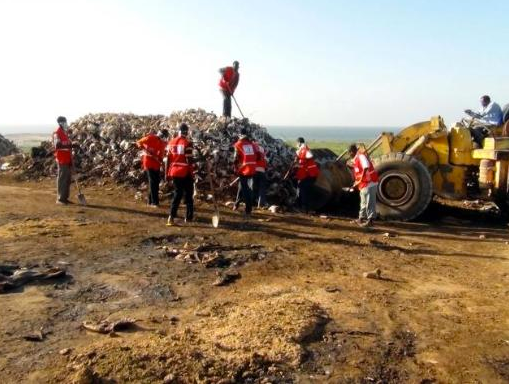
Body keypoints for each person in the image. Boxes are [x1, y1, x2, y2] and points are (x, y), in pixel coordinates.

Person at [166, 123, 194, 226]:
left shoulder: (171, 143)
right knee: (189, 194)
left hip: (174, 171)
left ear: (179, 131)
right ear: (187, 132)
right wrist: (193, 170)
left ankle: (171, 217)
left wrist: (166, 173)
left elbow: (167, 159)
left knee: (177, 194)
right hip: (185, 172)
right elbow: (189, 159)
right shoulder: (187, 143)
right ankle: (189, 217)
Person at [349, 144, 379, 227]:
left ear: (353, 151)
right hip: (363, 184)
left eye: (350, 153)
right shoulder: (356, 160)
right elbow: (358, 173)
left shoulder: (361, 156)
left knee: (370, 202)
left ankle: (371, 220)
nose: (350, 154)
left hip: (370, 183)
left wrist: (361, 179)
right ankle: (361, 218)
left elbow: (366, 167)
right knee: (363, 202)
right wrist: (356, 183)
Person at [136, 129, 168, 208]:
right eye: (163, 136)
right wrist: (143, 148)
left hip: (156, 164)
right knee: (153, 182)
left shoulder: (162, 143)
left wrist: (160, 160)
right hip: (148, 162)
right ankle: (155, 202)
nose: (164, 138)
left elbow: (161, 155)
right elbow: (138, 142)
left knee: (155, 183)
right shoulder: (150, 138)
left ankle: (150, 201)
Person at [233, 127, 257, 218]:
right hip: (252, 168)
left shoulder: (238, 144)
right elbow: (258, 156)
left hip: (244, 169)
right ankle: (236, 204)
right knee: (241, 186)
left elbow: (235, 159)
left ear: (240, 135)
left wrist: (235, 168)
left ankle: (248, 210)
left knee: (246, 189)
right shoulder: (252, 144)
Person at [294, 137, 319, 213]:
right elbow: (302, 164)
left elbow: (310, 155)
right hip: (309, 175)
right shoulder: (301, 151)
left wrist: (301, 155)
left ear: (299, 143)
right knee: (305, 190)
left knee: (303, 190)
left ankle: (303, 208)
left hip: (309, 175)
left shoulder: (304, 150)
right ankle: (306, 208)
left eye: (297, 143)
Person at [53, 116, 73, 204]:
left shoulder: (65, 133)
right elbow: (57, 146)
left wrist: (72, 146)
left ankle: (65, 198)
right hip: (61, 159)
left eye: (65, 121)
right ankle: (60, 199)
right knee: (62, 178)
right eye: (64, 122)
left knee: (67, 179)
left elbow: (67, 144)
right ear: (60, 123)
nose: (65, 123)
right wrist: (70, 146)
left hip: (68, 158)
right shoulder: (57, 133)